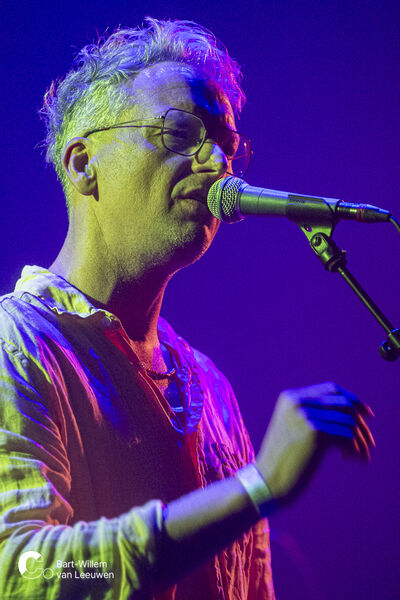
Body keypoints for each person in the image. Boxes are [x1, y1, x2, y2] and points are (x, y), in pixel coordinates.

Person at [0, 17, 374, 600]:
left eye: (227, 144)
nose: (217, 161)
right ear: (83, 164)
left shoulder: (211, 388)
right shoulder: (16, 345)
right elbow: (23, 574)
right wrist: (256, 487)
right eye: (179, 132)